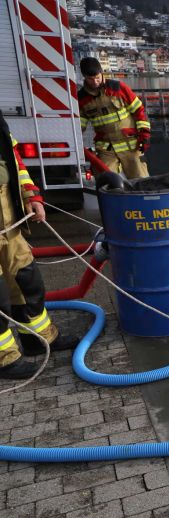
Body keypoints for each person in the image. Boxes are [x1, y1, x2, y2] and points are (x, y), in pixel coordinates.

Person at [0, 113, 79, 379]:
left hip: (7, 213)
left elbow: (15, 163)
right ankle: (5, 358)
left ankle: (38, 338)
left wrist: (31, 196)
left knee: (26, 278)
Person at [78, 57, 151, 179]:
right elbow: (79, 126)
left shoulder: (118, 88)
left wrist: (145, 135)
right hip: (106, 149)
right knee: (106, 181)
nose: (95, 82)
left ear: (101, 73)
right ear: (84, 77)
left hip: (132, 145)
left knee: (141, 180)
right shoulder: (81, 99)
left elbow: (139, 110)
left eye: (97, 77)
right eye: (90, 79)